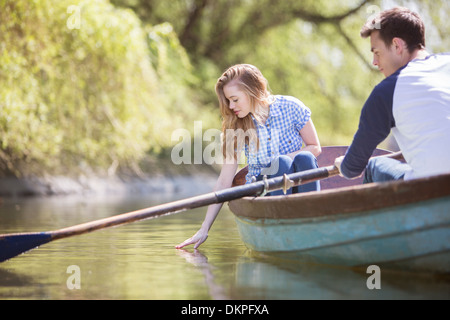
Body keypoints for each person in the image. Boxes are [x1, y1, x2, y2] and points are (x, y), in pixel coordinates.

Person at [176, 64, 321, 249]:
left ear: (252, 91)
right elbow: (224, 181)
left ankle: (314, 221)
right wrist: (204, 228)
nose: (230, 106)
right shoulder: (234, 124)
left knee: (304, 159)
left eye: (235, 99)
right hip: (264, 193)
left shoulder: (291, 107)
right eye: (228, 100)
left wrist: (282, 160)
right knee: (280, 163)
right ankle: (279, 229)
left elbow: (314, 147)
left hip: (297, 186)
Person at [334, 7, 450, 183]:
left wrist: (342, 164)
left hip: (432, 190)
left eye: (377, 52)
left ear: (397, 45)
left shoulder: (387, 91)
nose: (374, 62)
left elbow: (352, 168)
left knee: (374, 166)